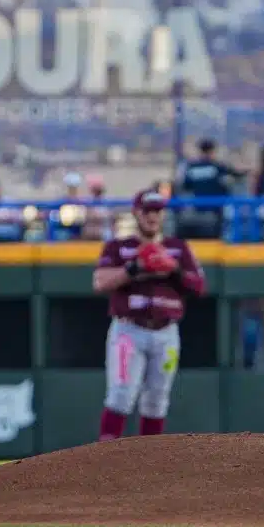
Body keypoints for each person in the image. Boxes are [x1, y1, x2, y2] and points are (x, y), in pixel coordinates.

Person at [92, 189, 207, 441]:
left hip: (166, 332)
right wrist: (134, 268)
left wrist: (174, 269)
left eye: (157, 210)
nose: (153, 216)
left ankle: (150, 465)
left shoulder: (177, 249)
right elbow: (100, 282)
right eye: (147, 210)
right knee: (121, 395)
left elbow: (199, 286)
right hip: (129, 330)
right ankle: (104, 461)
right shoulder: (119, 248)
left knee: (157, 399)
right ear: (136, 213)